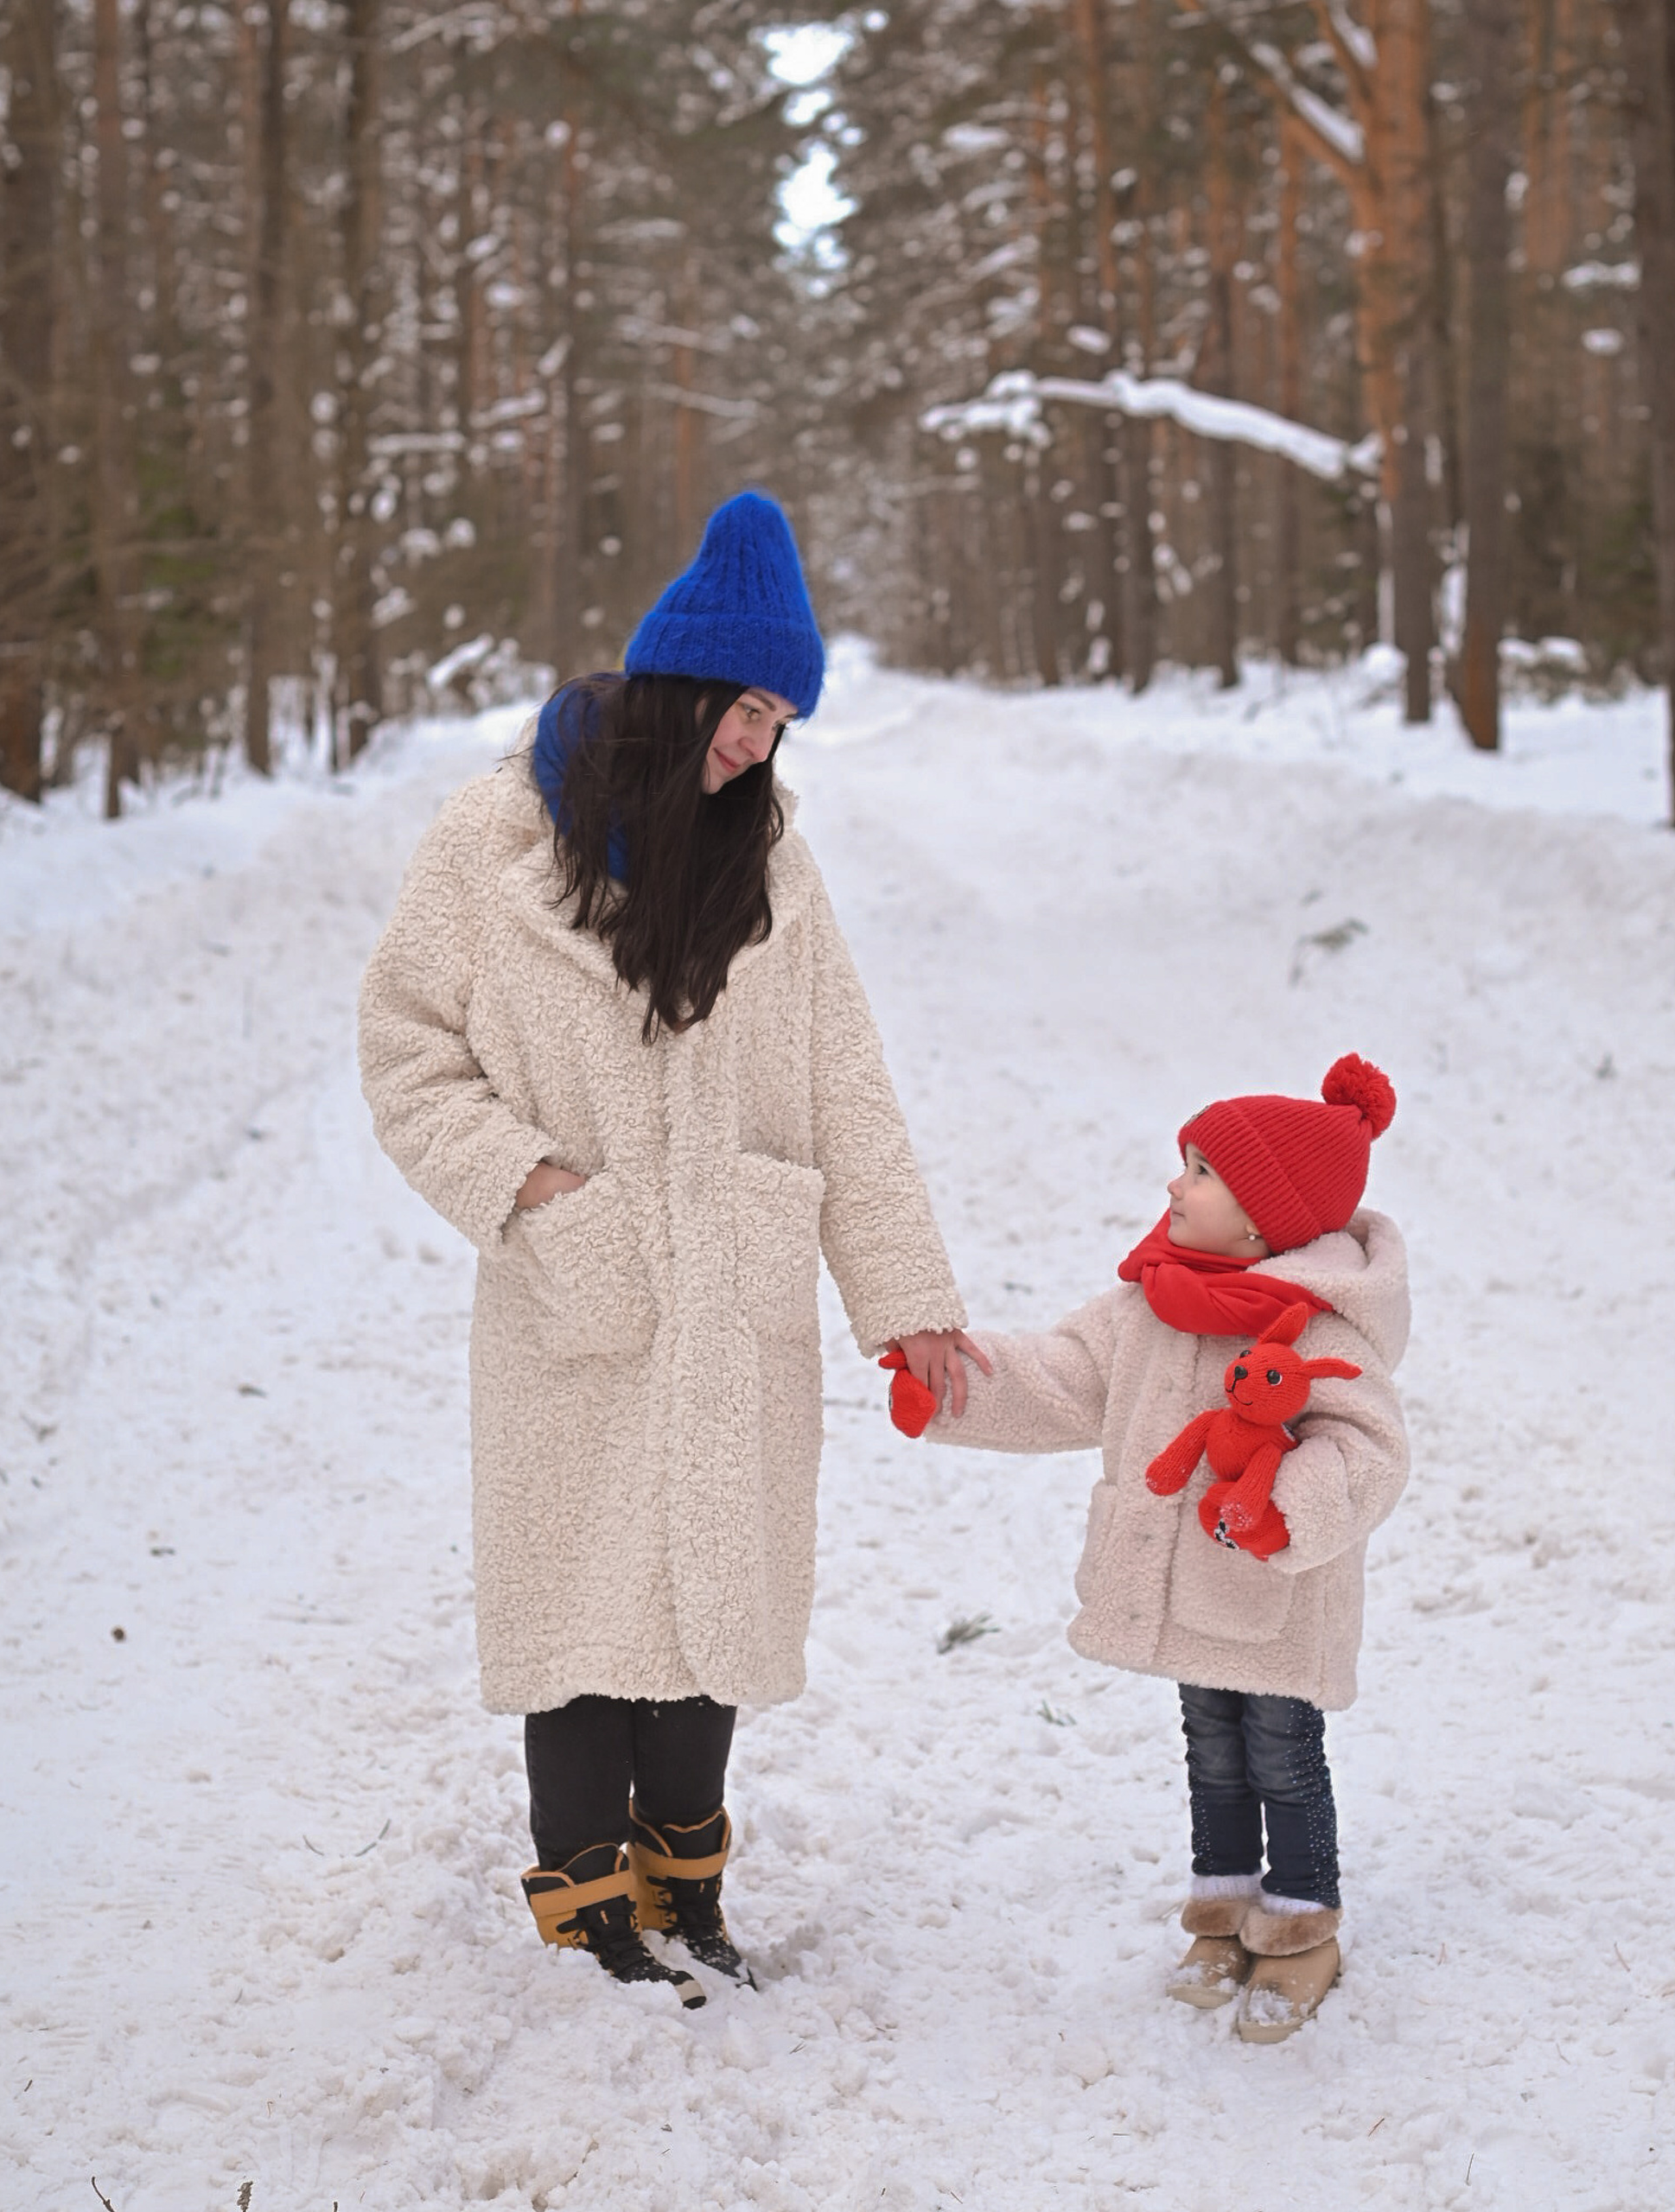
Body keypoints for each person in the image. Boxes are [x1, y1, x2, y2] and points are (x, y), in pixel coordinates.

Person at [357, 489, 984, 2005]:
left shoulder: (772, 865)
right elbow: (406, 1051)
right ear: (680, 689)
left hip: (733, 1284)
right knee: (579, 1602)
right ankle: (586, 1907)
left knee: (713, 1600)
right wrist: (533, 1187)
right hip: (572, 1282)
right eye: (747, 711)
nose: (759, 747)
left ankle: (686, 1887)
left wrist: (906, 1300)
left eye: (782, 723)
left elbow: (846, 1090)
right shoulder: (493, 841)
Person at [902, 1057, 1409, 2041]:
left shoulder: (1315, 1330)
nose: (1175, 1184)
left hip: (1272, 1599)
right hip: (1184, 1596)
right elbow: (1062, 1375)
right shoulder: (1152, 1305)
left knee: (1282, 1756)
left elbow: (1368, 1450)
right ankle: (1222, 1916)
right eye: (1185, 1163)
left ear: (1262, 1220)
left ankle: (1301, 1928)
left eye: (1203, 1172)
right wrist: (950, 1385)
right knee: (1211, 1753)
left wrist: (1287, 1510)